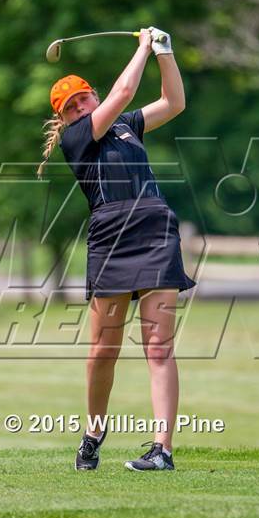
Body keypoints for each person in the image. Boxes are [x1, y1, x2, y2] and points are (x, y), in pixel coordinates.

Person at [38, 26, 197, 472]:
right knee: (102, 350)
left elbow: (175, 103)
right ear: (65, 118)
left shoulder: (126, 126)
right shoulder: (77, 139)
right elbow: (125, 90)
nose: (80, 106)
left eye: (84, 97)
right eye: (71, 106)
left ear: (92, 94)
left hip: (154, 224)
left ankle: (162, 449)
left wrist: (165, 52)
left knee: (158, 345)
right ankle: (93, 433)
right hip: (111, 235)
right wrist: (143, 46)